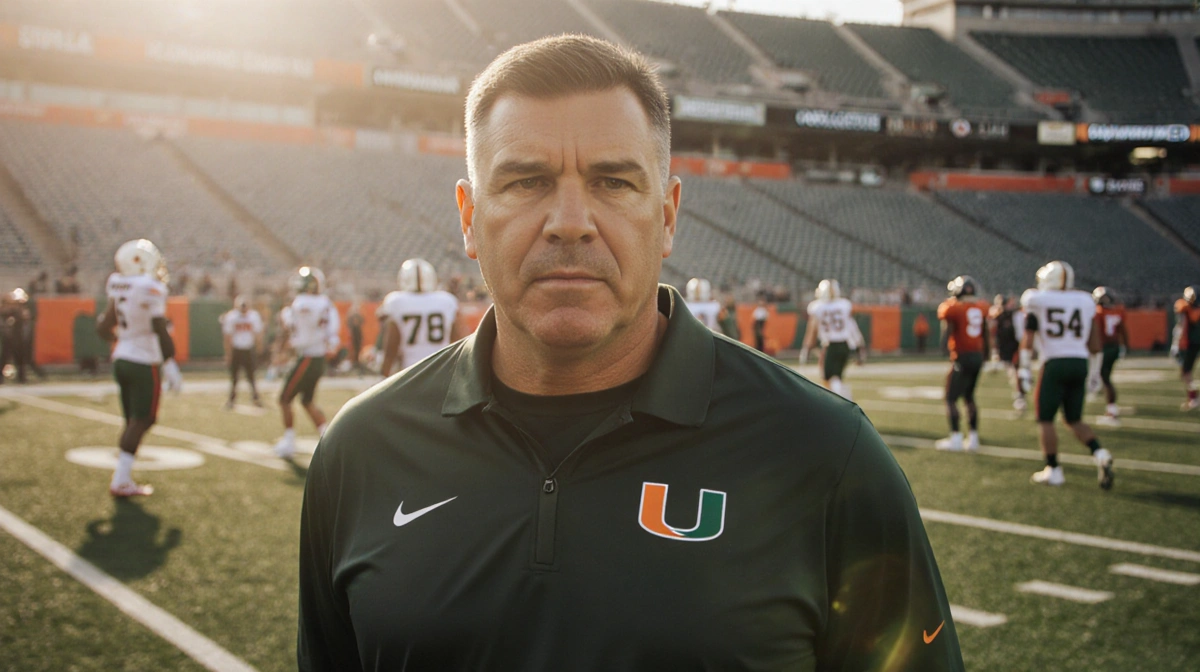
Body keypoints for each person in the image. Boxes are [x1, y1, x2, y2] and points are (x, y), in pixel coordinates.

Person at [297, 35, 961, 671]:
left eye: (614, 182)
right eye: (525, 182)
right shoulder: (361, 450)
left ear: (668, 216)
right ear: (469, 219)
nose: (570, 221)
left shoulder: (825, 453)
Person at [95, 239, 183, 497]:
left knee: (133, 419)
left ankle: (122, 475)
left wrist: (123, 340)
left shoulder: (118, 283)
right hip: (144, 361)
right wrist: (170, 362)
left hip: (121, 358)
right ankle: (121, 480)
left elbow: (103, 327)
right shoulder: (150, 287)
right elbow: (158, 328)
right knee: (144, 418)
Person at [1019, 261, 1113, 489]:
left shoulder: (1035, 299)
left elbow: (1028, 339)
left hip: (1054, 363)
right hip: (1080, 362)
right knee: (1074, 418)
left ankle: (1053, 469)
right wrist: (1093, 374)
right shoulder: (1085, 300)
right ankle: (1100, 453)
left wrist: (1023, 368)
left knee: (1045, 419)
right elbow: (1095, 345)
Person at [273, 266, 339, 459]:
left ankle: (289, 443)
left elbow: (297, 331)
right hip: (317, 358)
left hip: (308, 356)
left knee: (284, 399)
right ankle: (329, 439)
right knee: (307, 401)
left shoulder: (301, 303)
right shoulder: (327, 303)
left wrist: (287, 318)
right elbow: (332, 335)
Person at [376, 258, 462, 377]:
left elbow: (391, 346)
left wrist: (384, 374)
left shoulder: (396, 301)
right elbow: (460, 341)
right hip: (442, 370)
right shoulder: (447, 301)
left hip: (410, 371)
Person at [935, 276, 990, 452]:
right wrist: (986, 356)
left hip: (962, 356)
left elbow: (948, 330)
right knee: (969, 397)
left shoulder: (953, 309)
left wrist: (943, 348)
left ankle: (956, 438)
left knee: (950, 398)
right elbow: (986, 335)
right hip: (977, 356)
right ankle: (973, 438)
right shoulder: (980, 307)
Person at [800, 278, 865, 400]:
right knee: (837, 378)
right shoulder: (845, 305)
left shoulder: (817, 307)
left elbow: (812, 330)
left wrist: (806, 349)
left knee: (828, 379)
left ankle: (843, 400)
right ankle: (844, 398)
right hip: (845, 345)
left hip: (830, 346)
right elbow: (853, 328)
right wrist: (859, 350)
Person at [1089, 287, 1128, 425]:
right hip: (1115, 347)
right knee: (1104, 377)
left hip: (1104, 348)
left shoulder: (1098, 313)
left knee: (1105, 378)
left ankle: (1112, 410)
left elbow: (1095, 333)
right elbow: (1122, 331)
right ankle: (1108, 405)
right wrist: (1123, 346)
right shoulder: (1117, 311)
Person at [220, 295, 264, 408]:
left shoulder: (253, 316)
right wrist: (228, 353)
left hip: (248, 349)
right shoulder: (232, 317)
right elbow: (227, 336)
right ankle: (232, 399)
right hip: (237, 349)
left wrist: (258, 349)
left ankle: (255, 397)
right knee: (234, 377)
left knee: (251, 376)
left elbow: (258, 334)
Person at [989, 294, 1027, 412]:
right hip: (1005, 348)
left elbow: (1021, 334)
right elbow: (993, 335)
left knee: (1016, 371)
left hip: (1015, 347)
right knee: (1012, 372)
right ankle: (1020, 393)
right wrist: (995, 351)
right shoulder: (997, 316)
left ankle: (1020, 396)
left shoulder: (1016, 315)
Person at [1172, 285, 1200, 411]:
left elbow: (1181, 326)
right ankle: (1193, 397)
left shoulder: (1184, 307)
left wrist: (1176, 345)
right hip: (1193, 342)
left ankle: (1193, 398)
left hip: (1190, 343)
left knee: (1185, 372)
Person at [0, 288, 31, 383]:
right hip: (7, 338)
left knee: (20, 359)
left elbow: (25, 318)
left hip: (18, 338)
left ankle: (22, 378)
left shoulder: (19, 311)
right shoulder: (4, 311)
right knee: (4, 359)